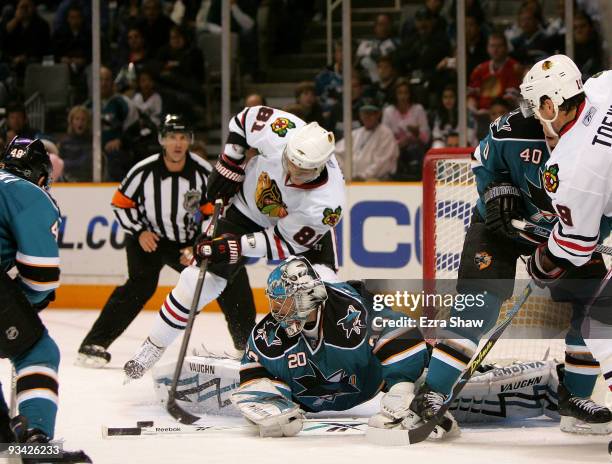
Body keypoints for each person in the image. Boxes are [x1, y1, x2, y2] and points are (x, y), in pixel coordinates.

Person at [406, 67, 612, 439]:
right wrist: (496, 191)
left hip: (565, 238)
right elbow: (483, 162)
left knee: (595, 307)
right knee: (477, 303)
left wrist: (561, 251)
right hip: (501, 229)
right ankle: (433, 394)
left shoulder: (589, 153)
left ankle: (575, 402)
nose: (533, 110)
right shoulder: (512, 130)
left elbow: (601, 212)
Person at [123, 106, 345, 380]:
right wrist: (230, 162)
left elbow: (283, 244)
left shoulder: (326, 204)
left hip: (294, 235)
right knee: (198, 281)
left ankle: (324, 365)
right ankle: (153, 346)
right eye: (289, 162)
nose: (290, 174)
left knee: (320, 288)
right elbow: (244, 120)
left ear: (318, 167)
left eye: (301, 172)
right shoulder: (285, 130)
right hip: (246, 209)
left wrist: (235, 246)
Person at [76, 115, 219, 367]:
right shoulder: (143, 170)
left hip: (187, 243)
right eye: (173, 137)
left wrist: (199, 244)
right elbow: (120, 204)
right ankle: (93, 344)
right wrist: (139, 231)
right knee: (138, 288)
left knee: (226, 276)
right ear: (162, 139)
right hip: (149, 239)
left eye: (183, 137)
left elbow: (214, 213)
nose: (178, 143)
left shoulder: (203, 172)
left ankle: (244, 343)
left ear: (190, 141)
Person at [232, 256, 428, 437]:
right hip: (304, 402)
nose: (276, 311)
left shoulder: (353, 311)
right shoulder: (268, 334)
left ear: (306, 297)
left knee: (413, 360)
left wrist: (401, 390)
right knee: (278, 424)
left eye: (284, 302)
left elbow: (401, 329)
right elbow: (254, 367)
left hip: (371, 381)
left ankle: (425, 384)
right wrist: (270, 400)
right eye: (275, 303)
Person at [520, 56, 612, 402]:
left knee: (602, 326)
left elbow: (576, 249)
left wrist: (544, 257)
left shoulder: (567, 168)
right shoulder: (603, 85)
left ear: (550, 103)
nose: (535, 117)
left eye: (536, 106)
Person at [0, 137, 90, 462]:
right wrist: (28, 301)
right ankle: (36, 440)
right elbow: (41, 277)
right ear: (41, 174)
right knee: (36, 350)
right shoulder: (30, 193)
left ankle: (4, 433)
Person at [335, 97, 399, 181]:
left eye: (371, 113)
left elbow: (381, 163)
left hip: (377, 180)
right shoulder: (355, 133)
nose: (367, 116)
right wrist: (343, 174)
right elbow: (336, 153)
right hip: (352, 179)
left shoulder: (385, 134)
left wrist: (362, 176)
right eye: (365, 113)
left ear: (378, 114)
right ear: (360, 115)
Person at [58, 105, 93, 181]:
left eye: (83, 119)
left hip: (85, 180)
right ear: (71, 121)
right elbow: (58, 163)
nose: (80, 122)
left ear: (87, 123)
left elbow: (84, 163)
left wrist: (65, 163)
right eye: (77, 119)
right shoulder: (64, 141)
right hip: (66, 180)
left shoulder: (91, 141)